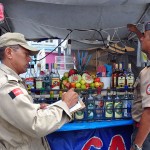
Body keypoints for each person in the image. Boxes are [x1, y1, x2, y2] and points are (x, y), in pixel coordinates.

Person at [0, 32, 79, 150]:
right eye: (26, 54)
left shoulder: (11, 80)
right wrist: (65, 104)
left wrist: (35, 108)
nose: (29, 59)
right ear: (9, 52)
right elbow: (36, 125)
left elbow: (18, 115)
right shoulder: (6, 85)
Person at [127, 23, 150, 150]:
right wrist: (136, 32)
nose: (141, 39)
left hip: (146, 135)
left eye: (144, 36)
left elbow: (149, 113)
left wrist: (137, 146)